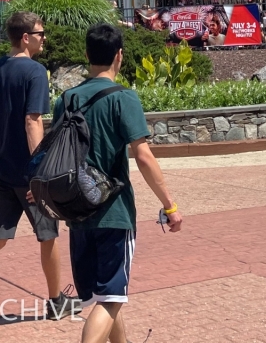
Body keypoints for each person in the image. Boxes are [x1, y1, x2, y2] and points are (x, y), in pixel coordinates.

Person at [55, 23, 182, 343]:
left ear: (86, 55)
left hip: (76, 210)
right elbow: (143, 156)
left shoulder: (66, 99)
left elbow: (53, 152)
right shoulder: (123, 98)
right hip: (114, 211)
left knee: (108, 297)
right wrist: (170, 205)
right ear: (119, 56)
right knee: (111, 299)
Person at [0, 12, 74, 343]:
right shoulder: (35, 72)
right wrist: (40, 172)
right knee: (48, 233)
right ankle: (55, 302)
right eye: (41, 33)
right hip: (27, 174)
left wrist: (0, 137)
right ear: (26, 37)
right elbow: (32, 121)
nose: (44, 38)